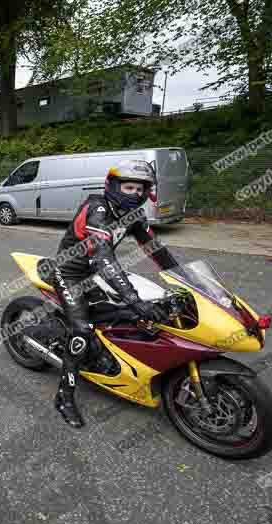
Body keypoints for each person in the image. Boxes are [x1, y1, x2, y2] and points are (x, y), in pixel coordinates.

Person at [47, 160, 179, 428]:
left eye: (140, 189)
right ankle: (64, 397)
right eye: (128, 187)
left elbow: (156, 249)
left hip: (96, 272)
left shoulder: (134, 216)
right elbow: (104, 259)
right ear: (113, 186)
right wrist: (134, 300)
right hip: (70, 273)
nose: (135, 194)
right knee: (82, 330)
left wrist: (182, 279)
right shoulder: (96, 209)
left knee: (134, 313)